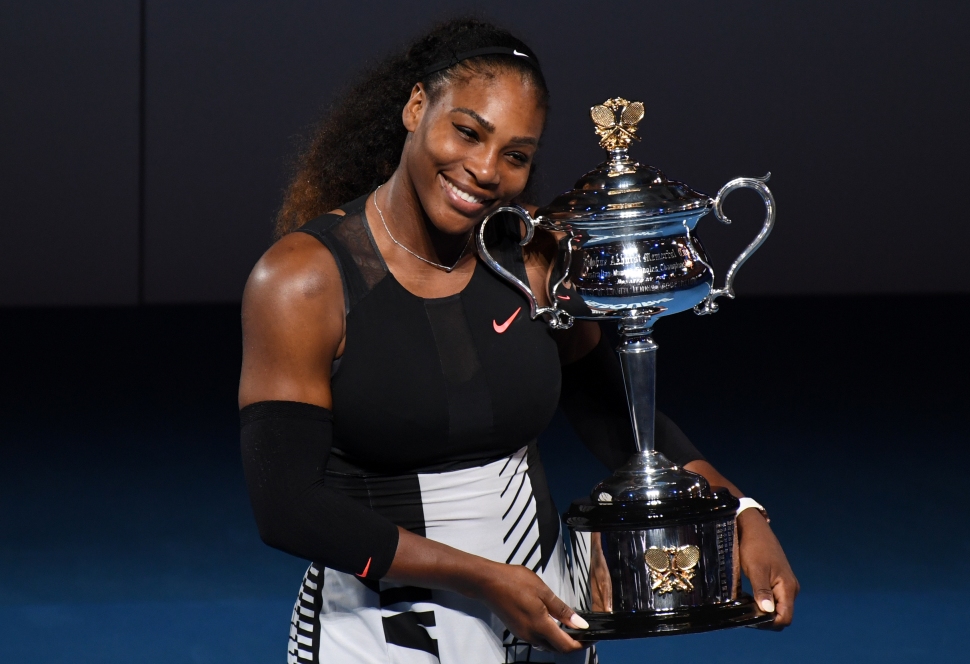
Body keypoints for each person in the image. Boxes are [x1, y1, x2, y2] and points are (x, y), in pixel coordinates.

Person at [238, 17, 798, 664]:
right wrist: (485, 579)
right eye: (468, 132)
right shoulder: (303, 280)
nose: (483, 170)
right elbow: (286, 507)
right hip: (381, 638)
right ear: (416, 106)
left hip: (545, 626)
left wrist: (740, 511)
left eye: (516, 155)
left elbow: (616, 416)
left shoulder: (535, 260)